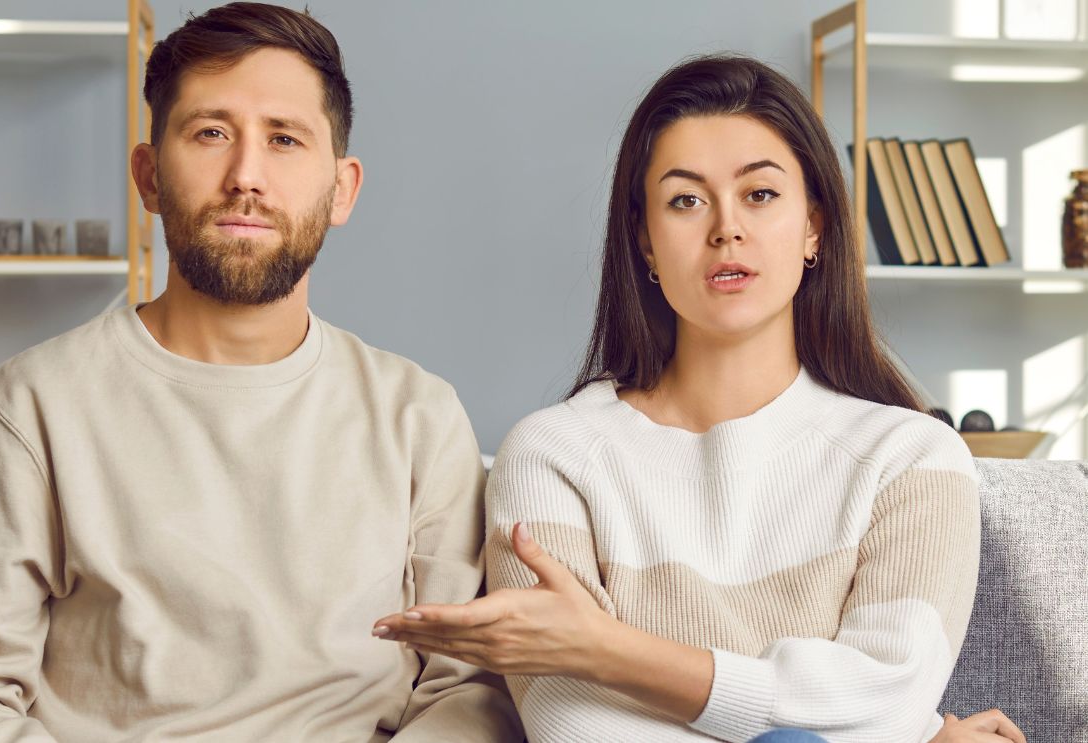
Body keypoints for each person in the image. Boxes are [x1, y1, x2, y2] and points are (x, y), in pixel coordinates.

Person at [0, 4, 520, 741]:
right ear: (149, 176)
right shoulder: (31, 406)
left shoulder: (418, 416)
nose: (245, 176)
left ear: (341, 188)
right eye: (210, 133)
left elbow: (471, 690)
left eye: (284, 139)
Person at [371, 55, 1024, 743]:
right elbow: (572, 722)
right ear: (644, 242)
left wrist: (607, 649)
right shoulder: (551, 453)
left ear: (814, 228)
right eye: (685, 200)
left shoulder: (911, 456)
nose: (725, 229)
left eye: (760, 195)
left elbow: (881, 699)